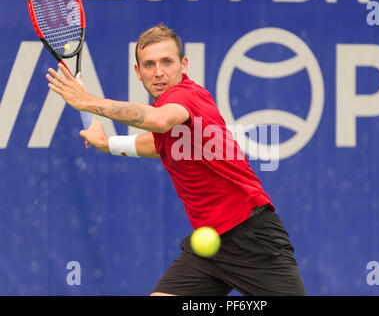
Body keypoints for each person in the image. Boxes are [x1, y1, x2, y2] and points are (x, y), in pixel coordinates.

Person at [46, 24, 306, 296]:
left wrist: (87, 102)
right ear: (138, 72)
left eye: (166, 62)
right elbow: (161, 144)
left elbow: (159, 121)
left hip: (252, 236)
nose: (158, 72)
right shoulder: (175, 108)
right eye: (149, 64)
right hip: (210, 244)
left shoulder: (184, 96)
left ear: (183, 64)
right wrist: (108, 143)